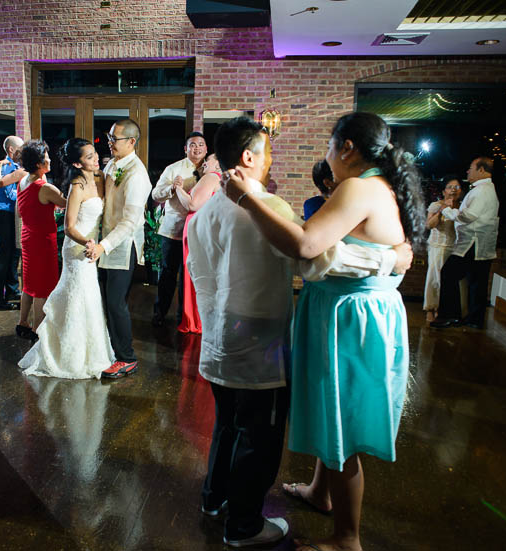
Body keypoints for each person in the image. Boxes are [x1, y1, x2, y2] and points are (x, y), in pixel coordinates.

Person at [193, 116, 416, 550]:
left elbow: (199, 272)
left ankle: (214, 500)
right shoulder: (271, 209)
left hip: (219, 337)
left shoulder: (207, 210)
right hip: (261, 343)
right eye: (270, 153)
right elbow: (315, 259)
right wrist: (390, 261)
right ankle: (244, 525)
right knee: (258, 437)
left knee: (226, 425)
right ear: (249, 157)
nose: (274, 163)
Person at [19, 138, 114, 379]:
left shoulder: (99, 178)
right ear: (77, 163)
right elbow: (69, 226)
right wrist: (89, 243)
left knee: (89, 299)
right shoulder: (76, 186)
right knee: (72, 296)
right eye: (89, 157)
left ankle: (90, 351)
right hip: (77, 248)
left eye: (95, 154)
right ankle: (61, 351)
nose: (96, 159)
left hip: (92, 248)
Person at [84, 119, 151, 379]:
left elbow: (130, 222)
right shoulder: (113, 164)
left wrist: (104, 245)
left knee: (116, 302)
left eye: (115, 139)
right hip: (105, 242)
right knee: (105, 300)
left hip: (123, 246)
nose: (109, 142)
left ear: (131, 142)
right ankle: (111, 349)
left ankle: (127, 358)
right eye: (109, 137)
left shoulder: (137, 174)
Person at [431, 157, 499, 330]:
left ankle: (450, 315)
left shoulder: (482, 191)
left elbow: (468, 216)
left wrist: (446, 210)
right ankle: (473, 319)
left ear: (482, 170)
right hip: (476, 243)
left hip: (473, 242)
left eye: (471, 168)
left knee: (449, 273)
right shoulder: (484, 189)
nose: (468, 171)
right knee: (476, 281)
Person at [150, 131, 207, 327]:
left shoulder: (211, 169)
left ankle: (184, 317)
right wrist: (172, 189)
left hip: (200, 233)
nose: (197, 148)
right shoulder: (174, 169)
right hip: (174, 230)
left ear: (206, 148)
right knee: (168, 273)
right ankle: (160, 313)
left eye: (200, 144)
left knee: (190, 276)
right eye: (192, 145)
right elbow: (156, 194)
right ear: (185, 149)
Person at [15, 140, 66, 340]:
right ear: (38, 163)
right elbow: (68, 203)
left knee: (29, 284)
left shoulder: (22, 182)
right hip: (42, 241)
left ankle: (22, 323)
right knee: (42, 288)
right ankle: (38, 330)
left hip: (27, 237)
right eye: (46, 157)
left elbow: (20, 212)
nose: (50, 159)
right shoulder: (45, 187)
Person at [174, 152, 221, 334]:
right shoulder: (218, 179)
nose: (204, 163)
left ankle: (195, 320)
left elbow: (193, 205)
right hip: (204, 229)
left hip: (197, 230)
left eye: (208, 160)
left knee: (195, 273)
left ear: (217, 164)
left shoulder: (210, 177)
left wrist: (178, 188)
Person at [0, 135, 25, 310]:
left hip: (12, 214)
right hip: (3, 214)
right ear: (11, 149)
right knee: (3, 256)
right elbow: (10, 194)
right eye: (20, 149)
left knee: (14, 254)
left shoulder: (17, 167)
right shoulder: (5, 167)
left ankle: (12, 290)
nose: (22, 152)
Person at [423, 176, 462, 323]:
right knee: (435, 278)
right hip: (438, 246)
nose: (453, 190)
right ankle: (430, 308)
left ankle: (444, 309)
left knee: (449, 281)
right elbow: (429, 225)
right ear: (444, 191)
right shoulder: (436, 205)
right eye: (450, 187)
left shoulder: (462, 208)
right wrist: (442, 210)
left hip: (455, 247)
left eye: (457, 187)